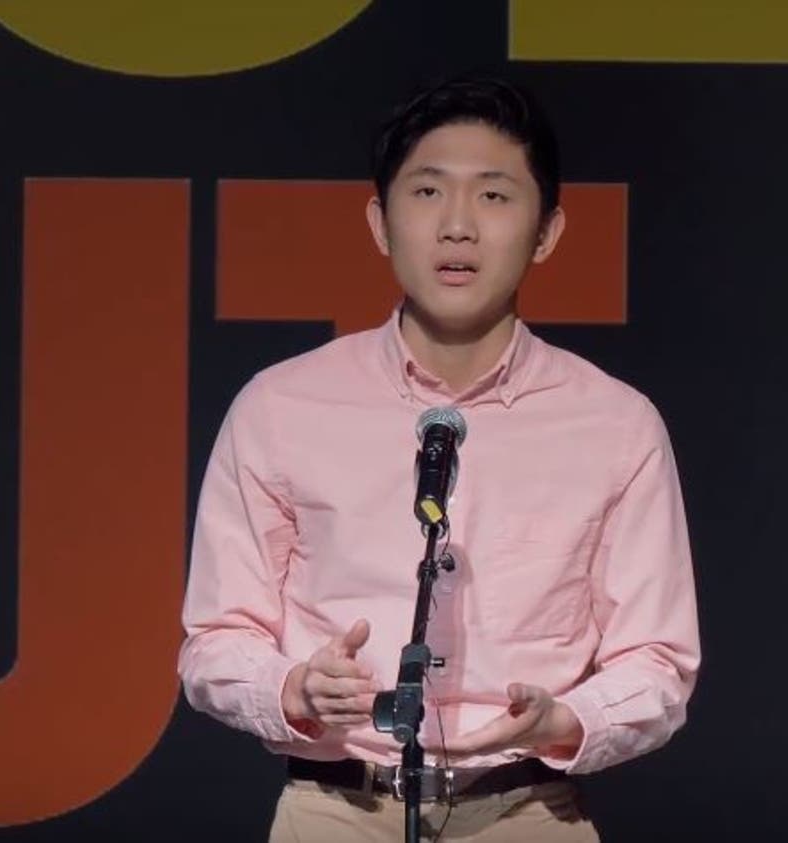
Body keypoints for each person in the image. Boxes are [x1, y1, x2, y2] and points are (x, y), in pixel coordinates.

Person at [178, 75, 700, 841]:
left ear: (548, 230)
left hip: (528, 809)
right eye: (427, 193)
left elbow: (658, 660)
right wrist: (292, 687)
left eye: (494, 197)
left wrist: (567, 719)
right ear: (380, 222)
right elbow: (215, 640)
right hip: (335, 810)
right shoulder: (280, 405)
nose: (458, 226)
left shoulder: (616, 424)